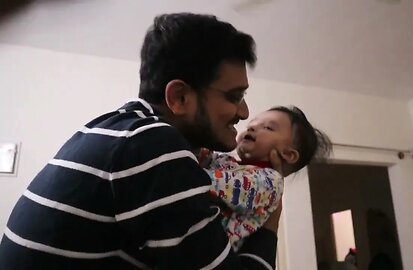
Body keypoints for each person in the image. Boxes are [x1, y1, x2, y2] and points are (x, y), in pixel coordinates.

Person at [0, 13, 283, 269]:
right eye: (234, 97)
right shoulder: (151, 145)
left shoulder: (120, 132)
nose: (245, 113)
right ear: (179, 98)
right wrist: (270, 221)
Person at [201, 106, 332, 249]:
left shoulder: (271, 182)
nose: (251, 128)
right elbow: (203, 159)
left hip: (211, 248)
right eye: (251, 125)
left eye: (268, 128)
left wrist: (186, 172)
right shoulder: (229, 162)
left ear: (288, 154)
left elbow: (227, 186)